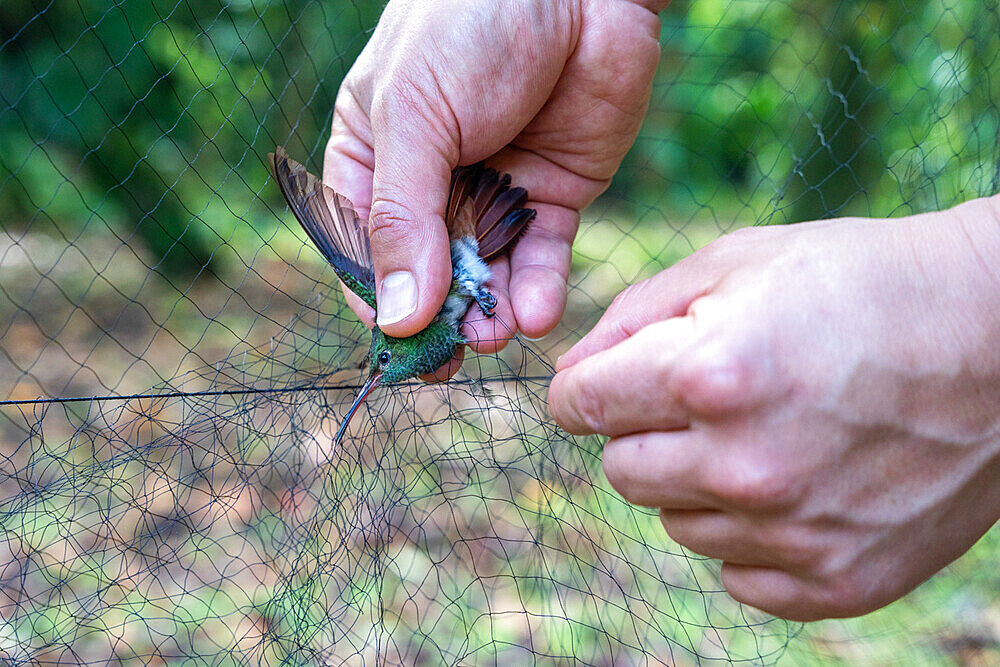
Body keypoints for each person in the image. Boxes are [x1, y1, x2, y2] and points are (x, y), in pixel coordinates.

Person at [323, 0, 1000, 622]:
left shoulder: (403, 316)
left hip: (468, 248)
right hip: (479, 257)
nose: (377, 377)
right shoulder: (428, 347)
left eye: (379, 365)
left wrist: (974, 303)